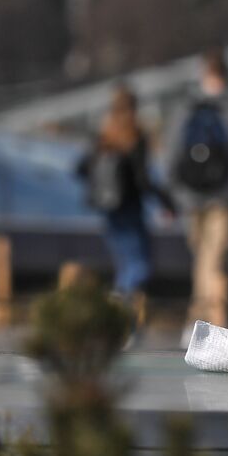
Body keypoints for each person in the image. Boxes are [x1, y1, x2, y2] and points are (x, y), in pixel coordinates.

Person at [160, 47, 228, 338]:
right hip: (223, 197)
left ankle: (197, 322)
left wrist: (174, 191)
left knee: (202, 258)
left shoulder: (186, 106)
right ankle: (211, 323)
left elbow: (171, 151)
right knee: (215, 261)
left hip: (190, 196)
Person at [76, 86, 177, 313]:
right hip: (131, 208)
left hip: (109, 210)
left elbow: (80, 168)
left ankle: (120, 312)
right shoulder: (136, 136)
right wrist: (167, 203)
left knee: (124, 263)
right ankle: (120, 305)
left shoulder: (103, 136)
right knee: (140, 265)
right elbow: (143, 179)